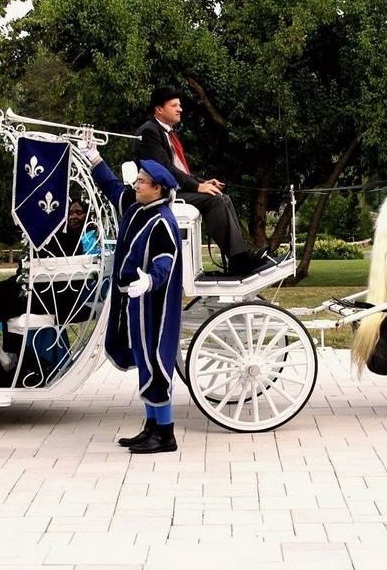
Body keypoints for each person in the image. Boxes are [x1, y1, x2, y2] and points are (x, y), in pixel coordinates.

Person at [85, 147, 183, 454]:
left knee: (155, 361)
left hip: (153, 306)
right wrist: (96, 159)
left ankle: (165, 433)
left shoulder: (162, 221)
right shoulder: (138, 207)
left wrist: (150, 281)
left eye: (141, 181)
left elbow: (166, 261)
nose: (135, 185)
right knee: (143, 359)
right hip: (134, 303)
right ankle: (152, 426)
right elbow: (113, 187)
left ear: (158, 189)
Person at [135, 87, 268, 276]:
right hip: (160, 193)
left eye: (179, 105)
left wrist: (204, 182)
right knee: (214, 200)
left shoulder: (167, 133)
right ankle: (239, 261)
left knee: (222, 196)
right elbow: (165, 169)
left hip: (174, 188)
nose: (180, 109)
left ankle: (240, 257)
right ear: (159, 109)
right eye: (174, 105)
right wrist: (198, 186)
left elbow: (179, 170)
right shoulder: (149, 131)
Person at [0, 200, 96, 387]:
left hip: (53, 299)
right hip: (39, 294)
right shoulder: (44, 236)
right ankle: (6, 366)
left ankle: (8, 369)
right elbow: (22, 277)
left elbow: (30, 279)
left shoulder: (64, 238)